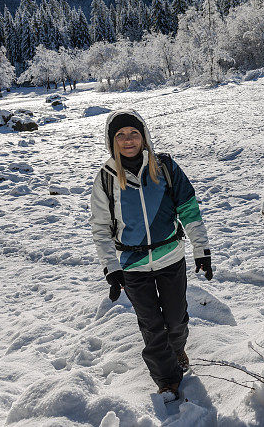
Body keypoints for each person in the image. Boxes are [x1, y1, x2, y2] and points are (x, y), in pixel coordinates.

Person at [89, 108, 213, 399]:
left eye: (133, 133)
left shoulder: (165, 167)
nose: (128, 140)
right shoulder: (106, 178)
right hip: (132, 266)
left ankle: (178, 346)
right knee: (152, 327)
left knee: (176, 320)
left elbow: (189, 209)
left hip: (170, 257)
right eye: (120, 135)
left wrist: (201, 250)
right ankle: (167, 380)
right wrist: (111, 267)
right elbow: (100, 227)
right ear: (112, 141)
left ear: (144, 136)